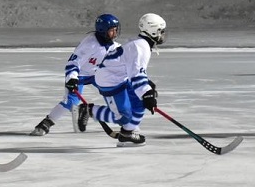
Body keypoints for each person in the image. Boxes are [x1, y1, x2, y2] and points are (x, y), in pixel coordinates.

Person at [30, 14, 121, 136]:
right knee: (71, 102)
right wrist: (72, 78)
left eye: (116, 29)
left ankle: (123, 122)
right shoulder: (90, 44)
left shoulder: (115, 47)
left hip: (98, 74)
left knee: (116, 95)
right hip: (80, 75)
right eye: (112, 30)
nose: (115, 33)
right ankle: (47, 122)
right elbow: (73, 62)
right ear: (103, 31)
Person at [91, 13, 166, 146]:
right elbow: (137, 74)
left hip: (121, 76)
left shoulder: (141, 44)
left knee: (140, 103)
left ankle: (127, 134)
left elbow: (135, 70)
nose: (162, 34)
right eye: (161, 31)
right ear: (153, 31)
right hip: (109, 79)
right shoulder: (141, 47)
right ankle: (88, 110)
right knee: (122, 117)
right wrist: (146, 92)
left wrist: (146, 90)